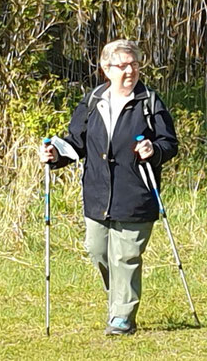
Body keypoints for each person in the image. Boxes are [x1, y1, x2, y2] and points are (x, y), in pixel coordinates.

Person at [39, 39, 178, 335]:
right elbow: (76, 143)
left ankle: (122, 316)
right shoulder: (92, 101)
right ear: (106, 69)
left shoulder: (149, 102)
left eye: (134, 65)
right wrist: (55, 156)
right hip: (98, 192)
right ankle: (119, 299)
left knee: (125, 256)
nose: (130, 71)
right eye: (123, 65)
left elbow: (169, 143)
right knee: (97, 251)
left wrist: (154, 150)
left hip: (136, 192)